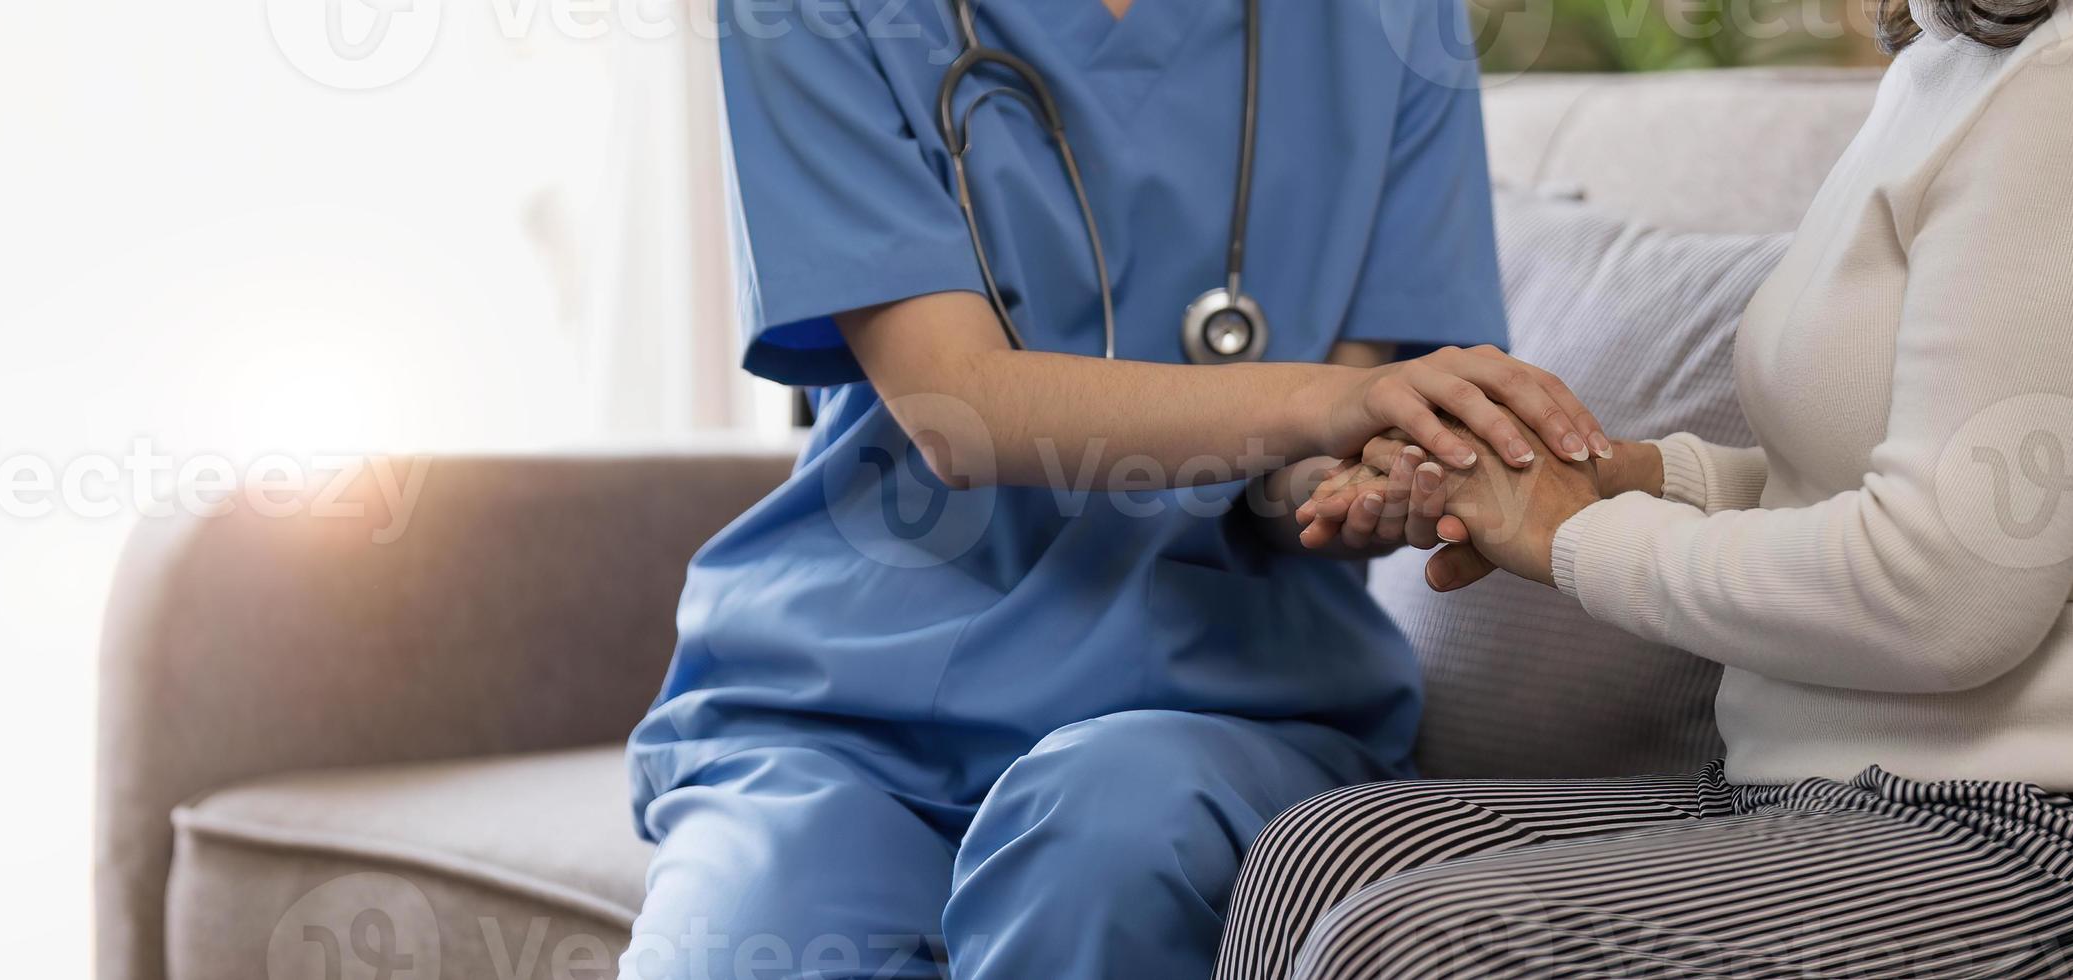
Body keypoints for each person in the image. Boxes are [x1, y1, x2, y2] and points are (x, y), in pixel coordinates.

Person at [1208, 0, 2073, 974]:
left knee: (1413, 946)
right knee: (1317, 855)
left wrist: (1574, 532)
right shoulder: (1956, 62)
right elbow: (1871, 476)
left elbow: (1939, 590)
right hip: (1861, 804)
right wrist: (1627, 479)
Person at [619, 0, 1609, 977]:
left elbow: (1304, 472)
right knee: (736, 947)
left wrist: (1369, 484)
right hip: (850, 698)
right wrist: (1330, 401)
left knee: (1108, 834)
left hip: (1221, 703)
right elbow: (954, 406)